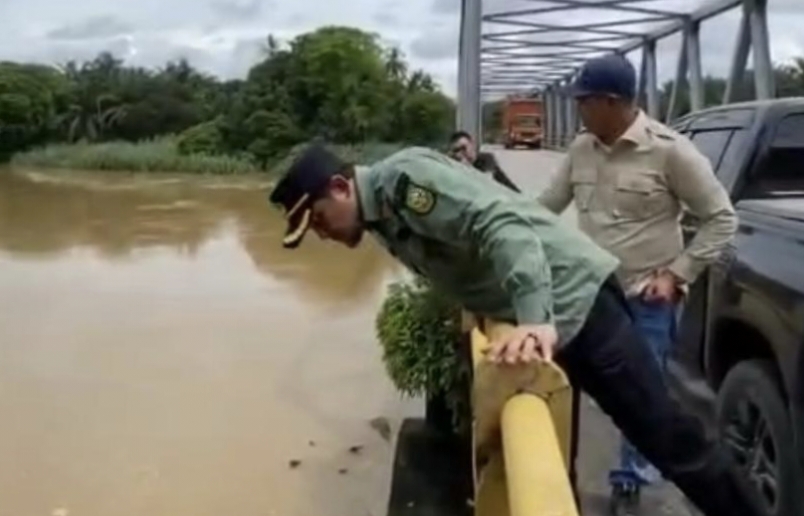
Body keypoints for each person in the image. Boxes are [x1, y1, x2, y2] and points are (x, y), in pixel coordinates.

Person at [267, 143, 762, 516]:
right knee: (555, 442)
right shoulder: (380, 214)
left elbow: (502, 226)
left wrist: (533, 320)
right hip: (551, 314)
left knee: (667, 438)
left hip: (576, 305)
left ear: (339, 187)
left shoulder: (403, 184)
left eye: (318, 220)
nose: (323, 234)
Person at [537, 54, 738, 515]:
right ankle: (558, 471)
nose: (579, 110)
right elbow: (544, 206)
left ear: (611, 102)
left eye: (583, 101)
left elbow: (721, 219)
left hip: (648, 297)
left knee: (643, 394)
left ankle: (627, 482)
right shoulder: (580, 149)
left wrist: (677, 274)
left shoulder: (670, 151)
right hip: (591, 295)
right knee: (570, 382)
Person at [448, 130, 520, 192]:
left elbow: (486, 181)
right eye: (456, 150)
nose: (461, 153)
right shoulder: (455, 167)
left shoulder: (486, 159)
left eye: (464, 148)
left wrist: (466, 169)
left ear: (472, 144)